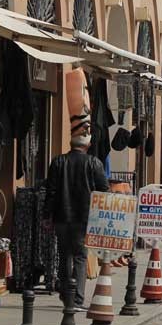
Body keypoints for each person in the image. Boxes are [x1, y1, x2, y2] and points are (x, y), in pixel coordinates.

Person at [45, 69, 109, 311]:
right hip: (84, 218)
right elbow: (103, 189)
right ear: (88, 145)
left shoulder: (58, 162)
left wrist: (46, 217)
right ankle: (79, 299)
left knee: (64, 256)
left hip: (62, 217)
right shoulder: (94, 163)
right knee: (81, 257)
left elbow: (51, 191)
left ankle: (65, 294)